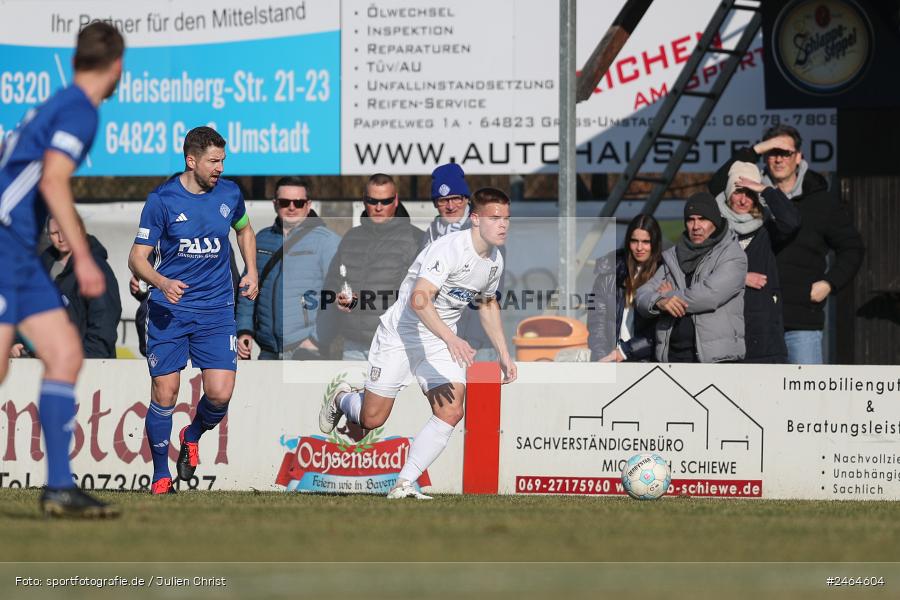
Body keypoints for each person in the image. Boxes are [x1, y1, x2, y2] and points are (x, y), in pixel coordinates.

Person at [318, 187, 517, 500]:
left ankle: (405, 483)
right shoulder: (449, 248)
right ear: (476, 220)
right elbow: (419, 299)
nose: (503, 224)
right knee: (371, 419)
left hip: (439, 339)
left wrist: (505, 354)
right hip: (401, 334)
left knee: (451, 410)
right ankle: (343, 399)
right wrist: (451, 338)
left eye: (506, 218)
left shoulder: (494, 261)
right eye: (495, 217)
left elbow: (488, 303)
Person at [0, 22, 124, 517]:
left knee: (65, 354)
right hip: (6, 245)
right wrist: (85, 255)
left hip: (19, 254)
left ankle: (58, 488)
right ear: (117, 67)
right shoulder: (79, 109)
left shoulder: (57, 103)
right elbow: (53, 180)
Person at [128, 126, 259, 495]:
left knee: (219, 394)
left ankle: (192, 434)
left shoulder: (231, 194)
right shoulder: (162, 200)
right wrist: (161, 281)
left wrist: (251, 270)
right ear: (191, 161)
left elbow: (245, 231)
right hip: (171, 310)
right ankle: (160, 476)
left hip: (217, 310)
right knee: (166, 392)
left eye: (223, 160)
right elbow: (136, 258)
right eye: (213, 161)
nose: (220, 168)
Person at [709, 125, 864, 364]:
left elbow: (852, 248)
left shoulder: (822, 201)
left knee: (804, 397)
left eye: (786, 152)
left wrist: (829, 283)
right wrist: (757, 149)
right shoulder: (752, 194)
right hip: (755, 319)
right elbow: (715, 186)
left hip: (799, 320)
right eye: (772, 152)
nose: (779, 158)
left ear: (799, 156)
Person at [319, 173, 422, 360]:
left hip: (396, 345)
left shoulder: (416, 239)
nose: (379, 207)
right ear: (364, 200)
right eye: (373, 201)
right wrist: (338, 298)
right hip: (353, 346)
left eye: (386, 201)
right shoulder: (351, 237)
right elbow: (332, 283)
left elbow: (421, 295)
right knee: (349, 390)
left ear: (396, 200)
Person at [635, 192, 747, 363]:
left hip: (716, 360)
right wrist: (659, 302)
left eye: (702, 219)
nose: (696, 226)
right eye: (690, 220)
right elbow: (642, 295)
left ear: (715, 222)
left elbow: (708, 295)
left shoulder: (732, 255)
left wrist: (670, 296)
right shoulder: (674, 255)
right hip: (672, 357)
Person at [235, 176, 339, 360]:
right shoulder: (261, 239)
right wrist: (244, 331)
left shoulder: (327, 241)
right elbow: (247, 288)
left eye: (298, 203)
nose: (291, 207)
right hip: (268, 351)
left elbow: (337, 297)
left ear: (308, 205)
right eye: (285, 202)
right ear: (275, 204)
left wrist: (316, 340)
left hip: (307, 351)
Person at [712, 161, 801, 363]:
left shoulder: (767, 229)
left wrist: (766, 190)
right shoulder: (712, 229)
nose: (744, 200)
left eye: (751, 194)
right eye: (738, 192)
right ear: (727, 193)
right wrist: (739, 278)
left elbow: (792, 222)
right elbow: (698, 273)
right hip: (722, 336)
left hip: (763, 338)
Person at [422, 162, 498, 361]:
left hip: (478, 344)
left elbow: (488, 297)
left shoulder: (486, 235)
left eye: (456, 198)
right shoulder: (426, 238)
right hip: (439, 342)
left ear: (466, 200)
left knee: (483, 394)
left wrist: (471, 338)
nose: (450, 206)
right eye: (443, 200)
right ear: (435, 203)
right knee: (448, 393)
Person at [41, 215, 121, 358]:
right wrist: (17, 342)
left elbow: (104, 319)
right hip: (47, 363)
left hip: (87, 363)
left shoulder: (95, 267)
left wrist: (88, 359)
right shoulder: (41, 266)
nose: (61, 238)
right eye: (54, 233)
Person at [587, 214, 662, 362]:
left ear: (655, 243)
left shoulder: (665, 274)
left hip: (647, 362)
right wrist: (604, 358)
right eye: (634, 241)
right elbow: (597, 322)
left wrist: (626, 351)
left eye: (646, 242)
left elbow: (660, 330)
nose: (639, 248)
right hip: (610, 359)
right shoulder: (608, 272)